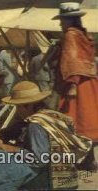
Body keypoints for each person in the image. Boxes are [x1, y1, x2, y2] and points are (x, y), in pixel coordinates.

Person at [0, 81, 92, 190]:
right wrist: (2, 137)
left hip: (51, 180)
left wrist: (12, 149)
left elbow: (39, 159)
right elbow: (15, 129)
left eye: (18, 107)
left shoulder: (36, 125)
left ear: (28, 106)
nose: (17, 111)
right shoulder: (49, 115)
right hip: (67, 177)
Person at [53, 2, 98, 142]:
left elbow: (72, 59)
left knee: (74, 118)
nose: (60, 24)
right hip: (88, 82)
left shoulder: (70, 35)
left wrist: (72, 85)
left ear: (70, 20)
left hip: (76, 83)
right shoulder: (83, 35)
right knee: (89, 115)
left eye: (62, 20)